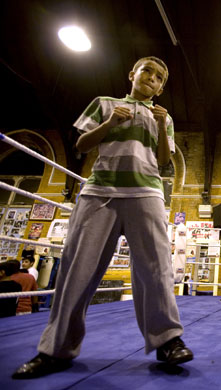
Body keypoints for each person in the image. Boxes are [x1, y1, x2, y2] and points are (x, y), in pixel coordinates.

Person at [12, 56, 193, 380]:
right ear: (132, 74)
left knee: (157, 269)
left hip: (146, 193)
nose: (152, 77)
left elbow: (164, 161)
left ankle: (168, 341)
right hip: (100, 192)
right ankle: (56, 349)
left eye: (159, 77)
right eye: (147, 71)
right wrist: (110, 122)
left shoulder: (162, 116)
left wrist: (162, 126)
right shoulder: (105, 103)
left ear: (162, 88)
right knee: (76, 268)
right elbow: (81, 144)